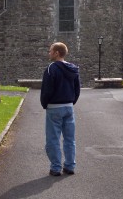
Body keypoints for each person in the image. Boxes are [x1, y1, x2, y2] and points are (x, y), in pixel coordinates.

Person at [40, 42, 81, 176]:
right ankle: (69, 166)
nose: (49, 53)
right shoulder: (73, 68)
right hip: (69, 107)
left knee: (53, 139)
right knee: (70, 139)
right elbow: (77, 89)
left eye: (50, 50)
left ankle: (56, 167)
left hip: (54, 108)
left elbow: (47, 90)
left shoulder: (51, 68)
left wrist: (45, 104)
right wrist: (71, 101)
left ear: (57, 53)